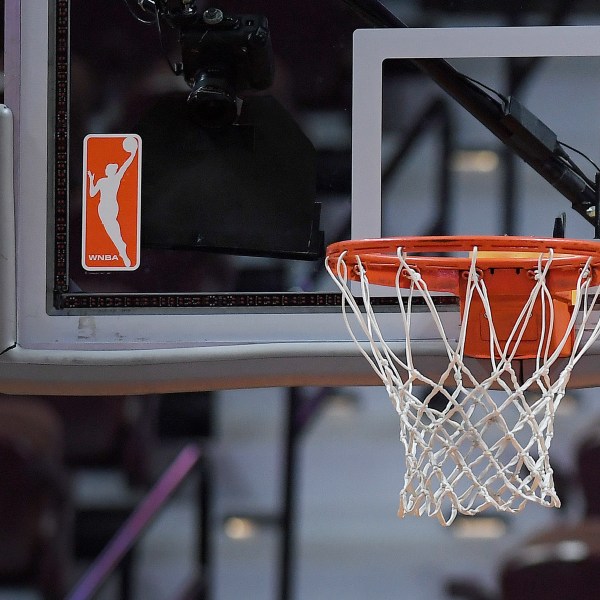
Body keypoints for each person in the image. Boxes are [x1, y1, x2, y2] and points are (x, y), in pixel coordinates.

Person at [87, 136, 138, 267]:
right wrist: (91, 179)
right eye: (109, 169)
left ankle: (122, 249)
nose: (109, 170)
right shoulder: (103, 181)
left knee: (113, 229)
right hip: (103, 208)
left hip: (110, 207)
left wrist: (133, 154)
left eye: (111, 169)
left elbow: (125, 166)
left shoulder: (115, 179)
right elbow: (92, 194)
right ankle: (122, 249)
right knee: (112, 230)